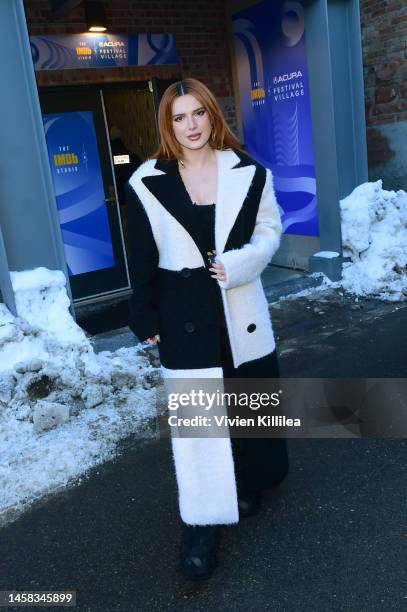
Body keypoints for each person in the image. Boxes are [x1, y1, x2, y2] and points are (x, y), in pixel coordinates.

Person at [125, 78, 289, 580]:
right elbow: (142, 254)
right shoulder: (147, 180)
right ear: (167, 124)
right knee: (199, 423)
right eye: (179, 117)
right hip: (182, 311)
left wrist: (241, 263)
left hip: (239, 305)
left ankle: (251, 479)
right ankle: (200, 522)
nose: (190, 126)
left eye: (198, 113)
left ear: (213, 115)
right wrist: (146, 313)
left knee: (248, 400)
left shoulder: (249, 172)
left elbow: (269, 230)